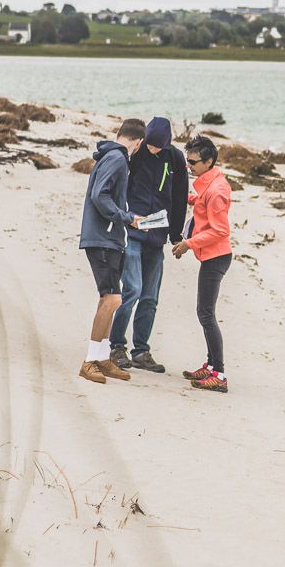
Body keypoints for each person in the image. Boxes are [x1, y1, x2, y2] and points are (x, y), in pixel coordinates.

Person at [109, 116, 188, 373]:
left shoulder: (175, 158)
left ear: (167, 143)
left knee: (150, 296)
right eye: (150, 145)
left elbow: (179, 197)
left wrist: (176, 234)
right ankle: (116, 345)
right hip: (132, 231)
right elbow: (120, 186)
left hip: (158, 235)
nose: (153, 149)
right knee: (131, 289)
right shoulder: (135, 154)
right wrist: (124, 218)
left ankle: (141, 350)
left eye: (158, 146)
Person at [78, 118, 145, 384]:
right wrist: (125, 217)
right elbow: (99, 195)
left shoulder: (112, 156)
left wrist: (127, 218)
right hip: (102, 237)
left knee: (109, 298)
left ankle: (103, 357)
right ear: (139, 143)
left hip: (108, 237)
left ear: (119, 134)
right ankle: (89, 361)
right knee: (112, 299)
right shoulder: (117, 159)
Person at [171, 135, 232, 394]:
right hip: (211, 256)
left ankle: (219, 374)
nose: (189, 166)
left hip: (216, 258)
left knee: (206, 314)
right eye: (187, 161)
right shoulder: (210, 184)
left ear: (208, 161)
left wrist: (189, 243)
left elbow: (220, 230)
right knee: (203, 312)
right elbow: (202, 201)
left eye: (193, 162)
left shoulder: (216, 191)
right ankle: (209, 365)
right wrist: (189, 199)